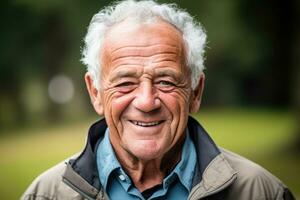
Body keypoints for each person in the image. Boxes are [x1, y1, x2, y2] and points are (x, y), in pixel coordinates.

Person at [22, 0, 295, 199]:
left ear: (195, 93)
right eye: (125, 83)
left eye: (165, 81)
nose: (146, 101)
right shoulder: (46, 194)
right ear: (96, 93)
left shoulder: (260, 192)